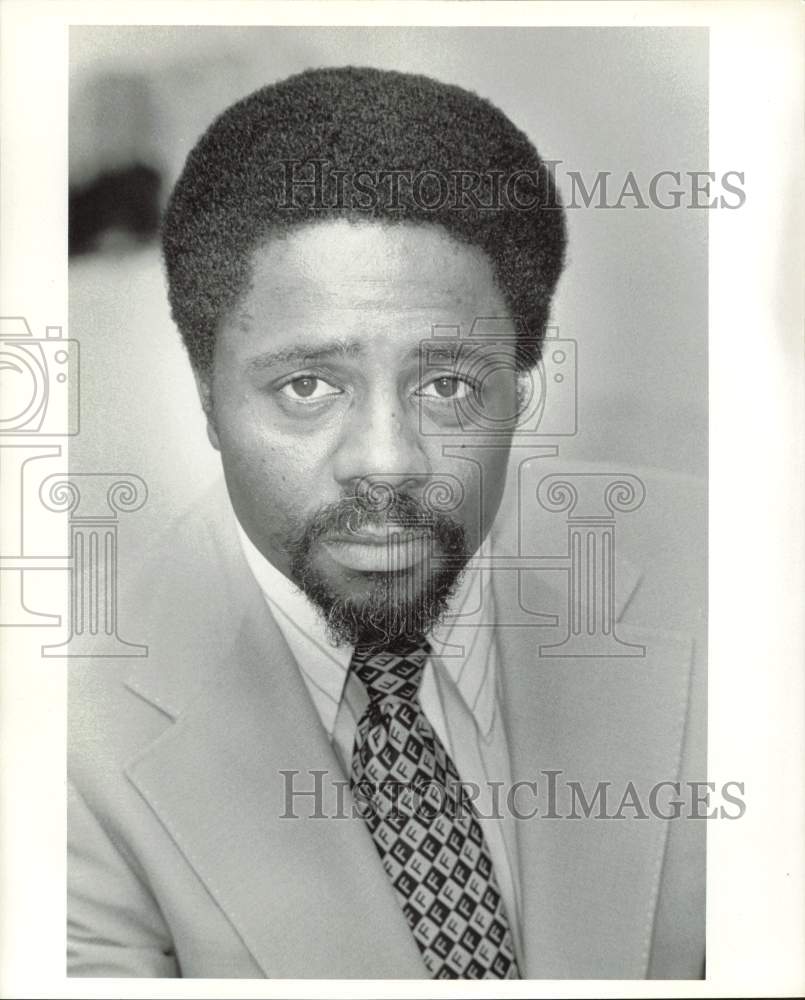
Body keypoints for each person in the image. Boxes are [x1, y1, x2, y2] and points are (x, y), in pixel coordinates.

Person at [68, 66, 705, 979]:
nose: (386, 460)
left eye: (447, 385)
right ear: (207, 399)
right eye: (307, 386)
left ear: (520, 389)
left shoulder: (739, 582)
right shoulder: (65, 749)